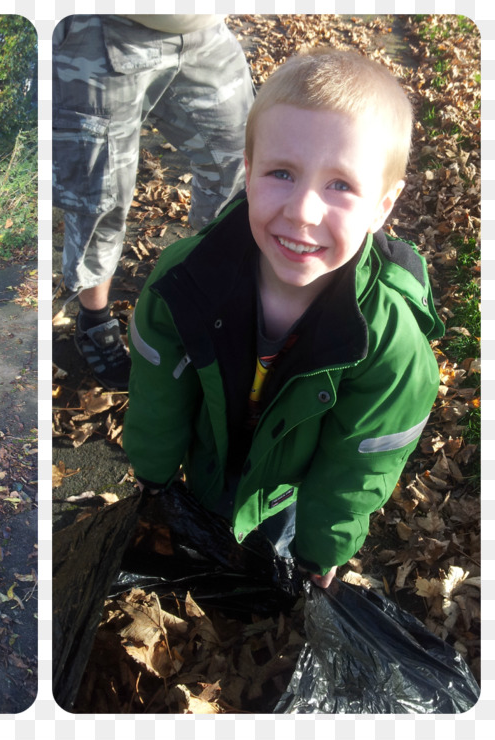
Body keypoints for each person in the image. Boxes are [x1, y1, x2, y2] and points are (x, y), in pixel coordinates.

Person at [123, 47, 444, 588]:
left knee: (272, 557)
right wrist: (154, 476)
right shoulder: (185, 281)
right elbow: (157, 385)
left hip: (289, 487)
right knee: (203, 536)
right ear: (247, 173)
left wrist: (323, 550)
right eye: (281, 173)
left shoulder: (389, 344)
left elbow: (359, 462)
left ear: (383, 206)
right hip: (208, 457)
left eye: (340, 185)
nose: (302, 211)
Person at [52, 14, 254, 389]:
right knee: (101, 196)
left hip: (202, 29)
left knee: (244, 163)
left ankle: (214, 294)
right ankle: (94, 323)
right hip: (103, 31)